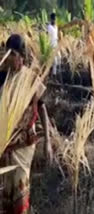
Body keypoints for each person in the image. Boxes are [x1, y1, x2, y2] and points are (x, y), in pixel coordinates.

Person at [0, 34, 52, 214]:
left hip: (23, 145)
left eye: (13, 53)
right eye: (7, 52)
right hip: (5, 144)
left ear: (21, 55)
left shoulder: (30, 79)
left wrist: (48, 142)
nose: (9, 57)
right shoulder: (3, 78)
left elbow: (42, 108)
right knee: (5, 189)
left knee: (20, 186)